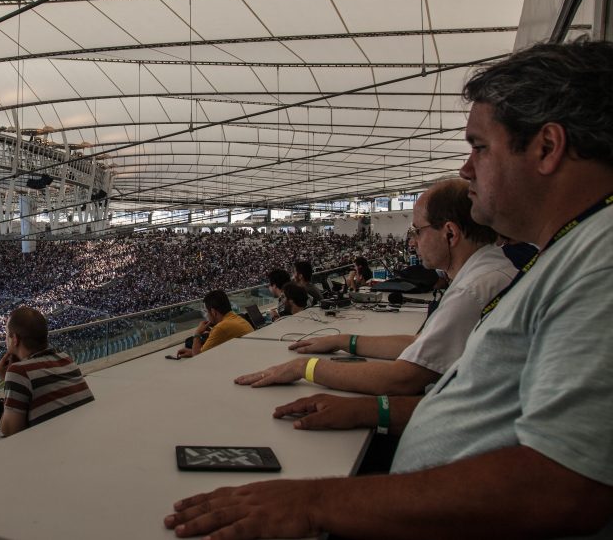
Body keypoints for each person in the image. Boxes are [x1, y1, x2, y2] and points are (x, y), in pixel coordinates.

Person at [164, 41, 613, 538]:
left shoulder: (602, 259)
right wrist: (370, 409)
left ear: (547, 148)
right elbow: (488, 408)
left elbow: (565, 486)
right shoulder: (574, 252)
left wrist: (313, 501)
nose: (466, 170)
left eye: (479, 147)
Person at [234, 178, 517, 396]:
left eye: (417, 230)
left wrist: (304, 368)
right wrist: (344, 340)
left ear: (450, 233)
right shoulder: (486, 273)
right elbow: (422, 346)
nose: (412, 242)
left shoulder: (473, 291)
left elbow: (403, 377)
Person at [0, 306, 94, 437]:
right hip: (83, 437)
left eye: (7, 335)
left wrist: (6, 378)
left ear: (15, 340)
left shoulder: (18, 372)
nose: (5, 340)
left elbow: (9, 432)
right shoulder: (66, 359)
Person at [176, 290, 253, 358]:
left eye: (206, 311)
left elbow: (198, 357)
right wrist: (192, 352)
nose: (206, 315)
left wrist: (197, 333)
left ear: (213, 312)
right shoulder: (236, 317)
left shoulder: (220, 328)